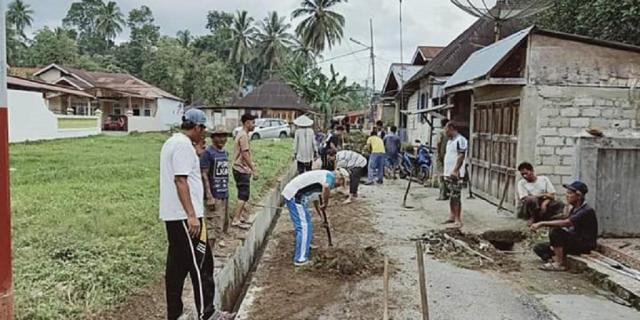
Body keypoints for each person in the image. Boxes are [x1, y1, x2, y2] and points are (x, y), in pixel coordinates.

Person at [159, 109, 232, 320]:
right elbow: (180, 180)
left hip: (175, 216)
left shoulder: (173, 142)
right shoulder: (182, 145)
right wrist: (191, 215)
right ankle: (207, 314)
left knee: (176, 269)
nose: (204, 135)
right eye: (204, 130)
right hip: (187, 218)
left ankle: (175, 314)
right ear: (197, 127)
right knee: (202, 264)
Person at [281, 169, 348, 266]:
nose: (338, 186)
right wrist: (325, 203)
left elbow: (316, 200)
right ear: (339, 178)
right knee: (303, 227)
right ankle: (301, 259)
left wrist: (322, 217)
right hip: (294, 196)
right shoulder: (330, 177)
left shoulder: (323, 176)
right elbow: (326, 187)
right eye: (341, 183)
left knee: (307, 223)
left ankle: (305, 246)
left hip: (297, 196)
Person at [531, 181, 598, 271]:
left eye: (570, 193)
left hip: (584, 244)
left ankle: (559, 263)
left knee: (556, 231)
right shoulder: (575, 208)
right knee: (539, 248)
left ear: (579, 196)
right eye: (567, 193)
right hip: (574, 240)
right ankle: (554, 259)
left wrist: (542, 223)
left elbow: (567, 223)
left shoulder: (586, 210)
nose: (567, 196)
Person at [200, 125, 231, 251]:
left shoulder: (224, 152)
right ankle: (209, 255)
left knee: (221, 224)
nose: (222, 139)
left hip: (224, 194)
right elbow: (204, 174)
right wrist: (209, 196)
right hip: (214, 195)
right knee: (212, 226)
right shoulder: (208, 153)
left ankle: (216, 250)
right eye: (219, 136)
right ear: (213, 138)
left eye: (224, 136)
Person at [232, 113, 258, 229]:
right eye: (253, 122)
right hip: (241, 169)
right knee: (243, 195)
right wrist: (253, 169)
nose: (254, 125)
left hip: (239, 169)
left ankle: (240, 216)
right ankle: (236, 219)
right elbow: (245, 153)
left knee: (243, 194)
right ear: (247, 123)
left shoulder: (242, 134)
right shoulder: (243, 136)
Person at [442, 122, 468, 228]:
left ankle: (458, 218)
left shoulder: (460, 140)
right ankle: (452, 216)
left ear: (452, 128)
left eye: (446, 129)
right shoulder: (450, 141)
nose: (445, 132)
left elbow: (461, 156)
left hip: (455, 173)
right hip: (448, 172)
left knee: (456, 196)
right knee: (451, 196)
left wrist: (456, 170)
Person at [436, 118, 450, 200]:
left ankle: (442, 194)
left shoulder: (441, 133)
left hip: (441, 156)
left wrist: (438, 154)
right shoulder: (451, 134)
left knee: (441, 176)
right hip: (449, 156)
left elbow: (438, 143)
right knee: (447, 175)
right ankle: (447, 193)